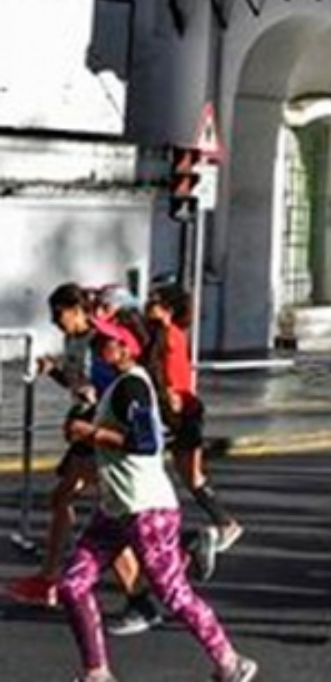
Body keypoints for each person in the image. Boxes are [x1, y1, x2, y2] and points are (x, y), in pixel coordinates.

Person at [55, 313, 258, 682]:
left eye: (108, 340)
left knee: (174, 594)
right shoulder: (119, 385)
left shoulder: (133, 386)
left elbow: (146, 443)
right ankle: (97, 673)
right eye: (99, 339)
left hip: (147, 509)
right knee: (72, 586)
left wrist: (92, 434)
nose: (100, 345)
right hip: (115, 510)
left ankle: (231, 662)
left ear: (126, 347)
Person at [9, 283, 114, 607]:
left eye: (59, 314)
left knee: (113, 512)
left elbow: (111, 385)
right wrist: (53, 370)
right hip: (84, 427)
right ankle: (49, 576)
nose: (55, 321)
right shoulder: (72, 339)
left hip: (98, 429)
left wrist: (93, 406)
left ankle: (144, 589)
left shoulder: (100, 342)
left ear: (79, 310)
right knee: (70, 501)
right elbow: (75, 382)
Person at [141, 284, 242, 587]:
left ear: (168, 310)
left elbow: (173, 377)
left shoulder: (170, 336)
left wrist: (171, 399)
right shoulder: (161, 335)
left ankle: (218, 527)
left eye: (155, 302)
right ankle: (223, 524)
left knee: (187, 476)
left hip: (182, 413)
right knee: (189, 476)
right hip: (179, 413)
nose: (149, 305)